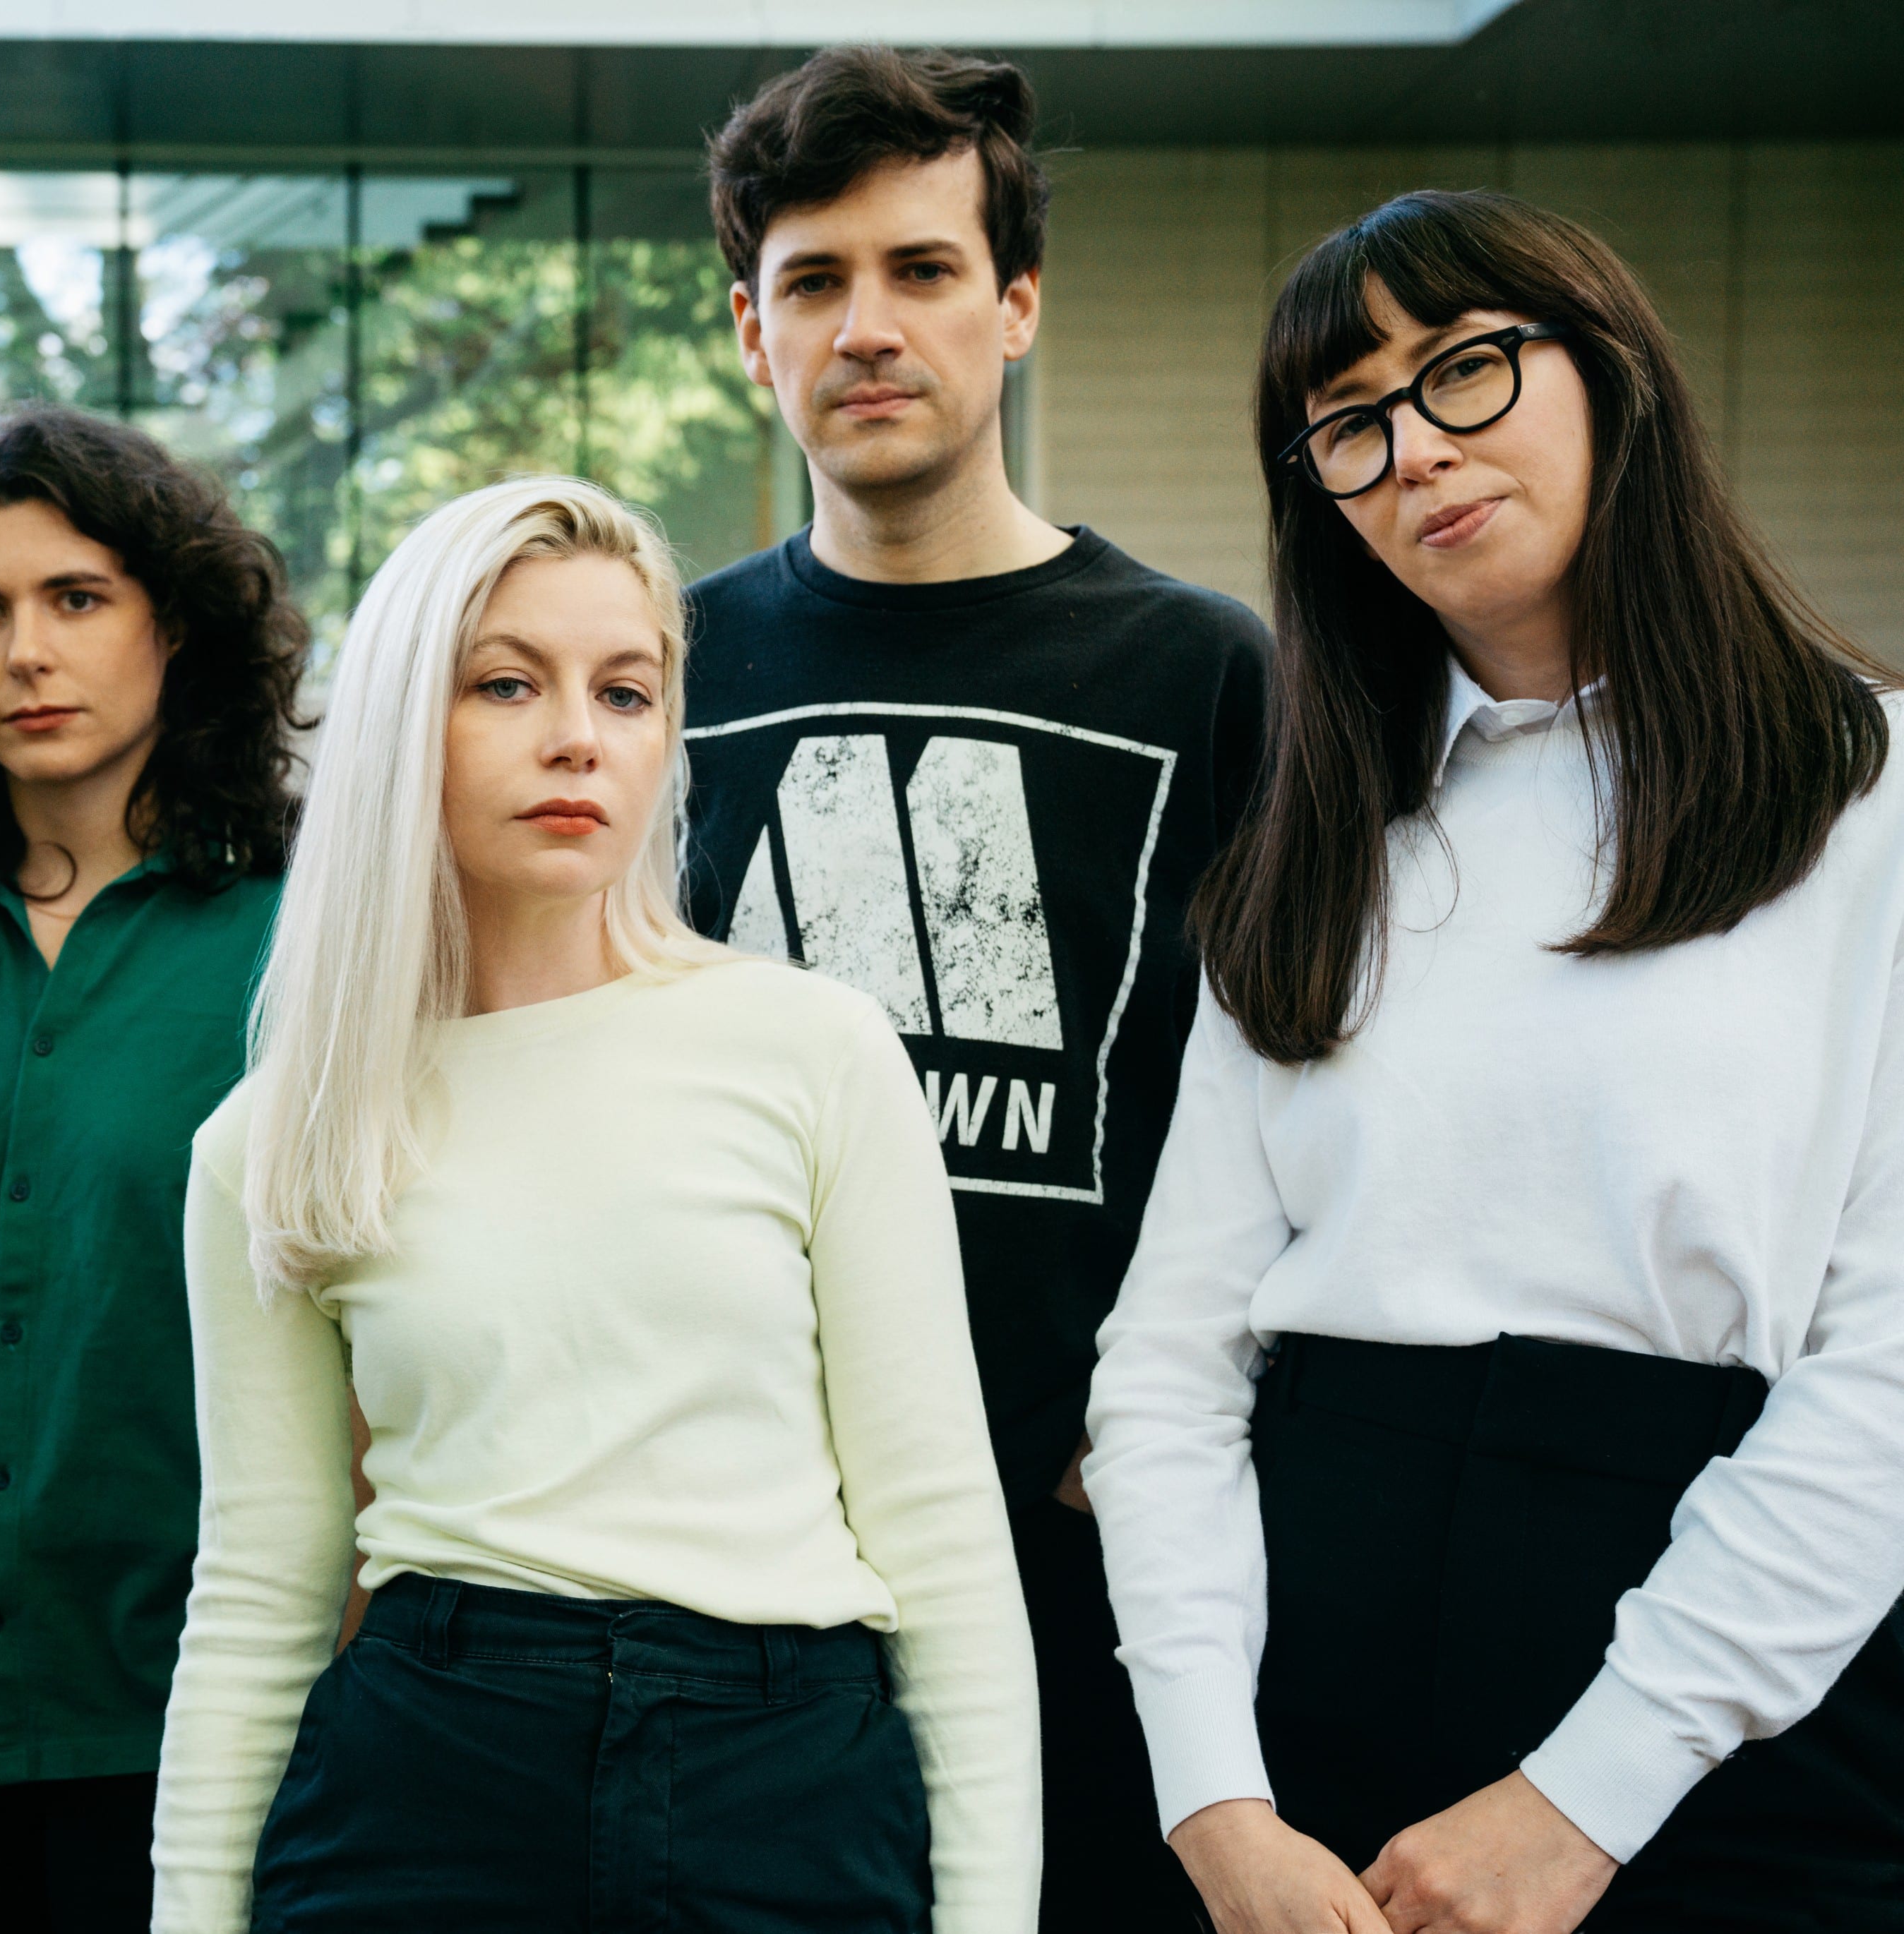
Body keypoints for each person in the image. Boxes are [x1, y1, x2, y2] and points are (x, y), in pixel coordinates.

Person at [1086, 188, 1904, 1934]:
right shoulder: (1311, 853)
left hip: (1724, 1723)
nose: (1411, 453)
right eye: (1346, 425)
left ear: (1609, 373)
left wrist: (1578, 1800)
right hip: (1299, 1733)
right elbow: (1165, 1368)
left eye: (1461, 371)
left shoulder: (1871, 795)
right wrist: (1212, 1800)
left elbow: (1889, 1373)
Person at [150, 475, 1041, 1934]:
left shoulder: (812, 1051)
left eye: (624, 692)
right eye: (505, 682)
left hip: (784, 1777)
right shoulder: (275, 1137)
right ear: (397, 724)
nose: (575, 734)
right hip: (421, 1778)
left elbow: (941, 1538)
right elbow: (259, 1587)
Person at [681, 44, 1267, 1929]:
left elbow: (1300, 1095)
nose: (869, 325)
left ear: (1016, 306)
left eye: (923, 270)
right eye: (814, 281)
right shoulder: (656, 671)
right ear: (752, 338)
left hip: (1090, 1561)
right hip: (738, 1547)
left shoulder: (1207, 675)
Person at [0, 404, 306, 1932]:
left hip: (202, 1728)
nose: (26, 650)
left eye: (75, 598)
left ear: (175, 626)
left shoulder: (312, 951)